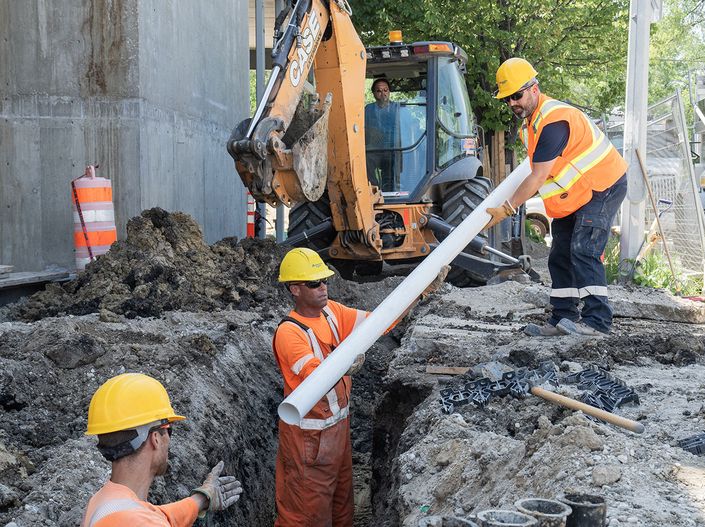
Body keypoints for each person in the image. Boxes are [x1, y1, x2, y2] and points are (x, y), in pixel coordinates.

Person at [272, 248, 445, 526]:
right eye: (314, 283)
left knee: (342, 507)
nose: (323, 287)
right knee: (306, 514)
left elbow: (380, 322)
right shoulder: (290, 332)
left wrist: (419, 292)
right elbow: (315, 377)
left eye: (324, 280)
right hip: (309, 440)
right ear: (294, 289)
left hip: (337, 433)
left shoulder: (332, 312)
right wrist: (344, 365)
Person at [485, 58, 628, 337]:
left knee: (583, 250)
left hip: (602, 185)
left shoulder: (553, 120)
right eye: (507, 99)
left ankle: (597, 322)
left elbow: (537, 176)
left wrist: (508, 207)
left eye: (517, 95)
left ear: (534, 89)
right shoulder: (532, 123)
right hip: (576, 194)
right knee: (560, 255)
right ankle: (563, 319)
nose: (512, 103)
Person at [82, 373, 243, 527]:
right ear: (156, 439)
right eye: (169, 429)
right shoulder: (141, 521)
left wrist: (202, 498)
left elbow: (156, 515)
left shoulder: (101, 503)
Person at [364, 77, 400, 190]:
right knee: (365, 158)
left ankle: (389, 188)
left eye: (385, 90)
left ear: (389, 92)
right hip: (375, 148)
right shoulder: (368, 109)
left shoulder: (397, 108)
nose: (383, 93)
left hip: (393, 147)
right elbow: (363, 128)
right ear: (374, 93)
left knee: (392, 167)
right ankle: (375, 188)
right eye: (379, 91)